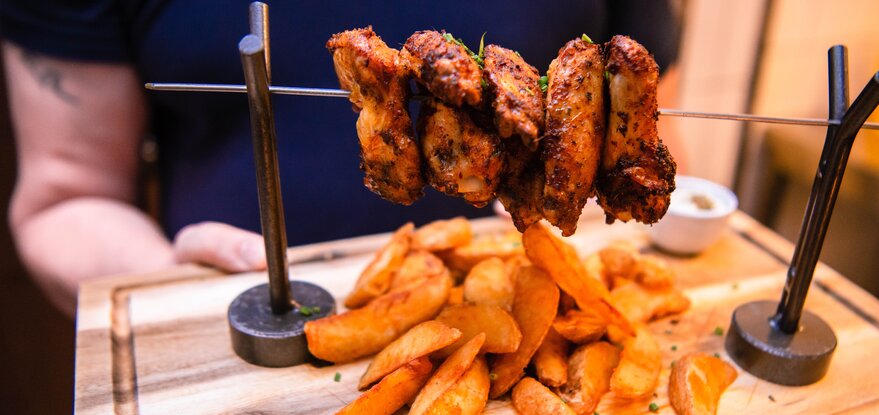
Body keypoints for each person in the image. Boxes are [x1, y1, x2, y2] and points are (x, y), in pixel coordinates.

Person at [0, 0, 683, 314]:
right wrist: (164, 287)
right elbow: (63, 199)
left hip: (531, 309)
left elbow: (650, 138)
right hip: (244, 362)